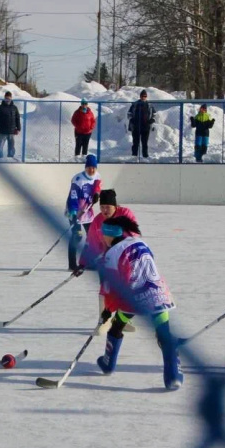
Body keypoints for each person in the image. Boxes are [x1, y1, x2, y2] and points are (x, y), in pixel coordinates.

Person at [94, 215, 182, 390]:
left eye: (104, 234)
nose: (102, 238)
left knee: (116, 326)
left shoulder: (112, 253)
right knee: (164, 334)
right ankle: (173, 376)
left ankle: (108, 364)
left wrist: (108, 310)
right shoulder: (139, 241)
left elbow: (112, 285)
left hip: (133, 296)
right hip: (157, 292)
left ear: (111, 235)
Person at [80, 189, 138, 336]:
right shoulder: (97, 221)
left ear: (115, 206)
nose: (104, 210)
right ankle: (104, 321)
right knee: (106, 288)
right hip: (106, 261)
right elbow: (91, 243)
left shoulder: (125, 214)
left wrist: (117, 245)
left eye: (108, 207)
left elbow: (133, 235)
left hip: (126, 260)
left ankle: (121, 319)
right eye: (102, 206)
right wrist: (82, 263)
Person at [65, 153, 102, 271]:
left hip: (87, 211)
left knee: (93, 236)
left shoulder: (97, 175)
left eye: (94, 167)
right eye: (89, 167)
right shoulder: (78, 180)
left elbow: (97, 185)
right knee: (77, 236)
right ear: (85, 167)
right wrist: (74, 214)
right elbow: (73, 198)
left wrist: (96, 193)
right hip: (74, 210)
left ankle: (89, 261)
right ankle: (72, 264)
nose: (91, 170)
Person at [127, 89, 155, 158]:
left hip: (145, 126)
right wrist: (131, 119)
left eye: (145, 96)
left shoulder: (149, 105)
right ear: (140, 96)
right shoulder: (135, 104)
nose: (143, 97)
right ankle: (134, 155)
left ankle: (145, 155)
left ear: (146, 97)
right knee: (135, 142)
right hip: (136, 126)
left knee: (144, 142)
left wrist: (152, 120)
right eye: (142, 96)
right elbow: (129, 113)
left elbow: (154, 114)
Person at [0, 91, 21, 159]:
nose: (7, 100)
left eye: (9, 99)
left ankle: (10, 158)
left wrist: (18, 128)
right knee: (0, 147)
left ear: (11, 98)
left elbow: (17, 118)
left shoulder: (14, 108)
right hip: (2, 131)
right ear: (4, 98)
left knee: (11, 147)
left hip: (12, 131)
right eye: (6, 98)